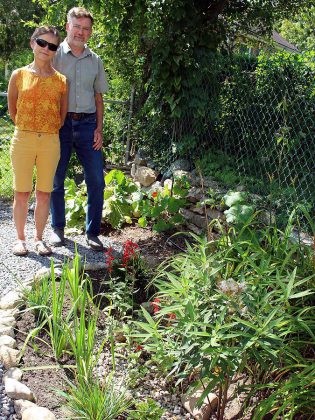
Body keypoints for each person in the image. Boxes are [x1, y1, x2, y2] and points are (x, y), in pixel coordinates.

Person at [50, 6, 109, 251]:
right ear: (67, 27)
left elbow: (98, 98)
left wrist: (99, 129)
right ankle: (57, 229)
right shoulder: (52, 56)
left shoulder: (96, 61)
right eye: (77, 27)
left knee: (96, 179)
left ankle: (93, 233)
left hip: (87, 125)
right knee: (56, 178)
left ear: (91, 32)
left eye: (86, 29)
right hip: (59, 125)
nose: (81, 33)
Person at [7, 26, 68, 256]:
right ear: (33, 43)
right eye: (42, 43)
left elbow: (61, 115)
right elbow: (13, 109)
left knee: (44, 193)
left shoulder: (62, 80)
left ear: (55, 51)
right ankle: (20, 239)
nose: (46, 49)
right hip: (23, 138)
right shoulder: (18, 75)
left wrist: (45, 129)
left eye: (52, 46)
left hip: (50, 141)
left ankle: (39, 238)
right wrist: (28, 128)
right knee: (21, 193)